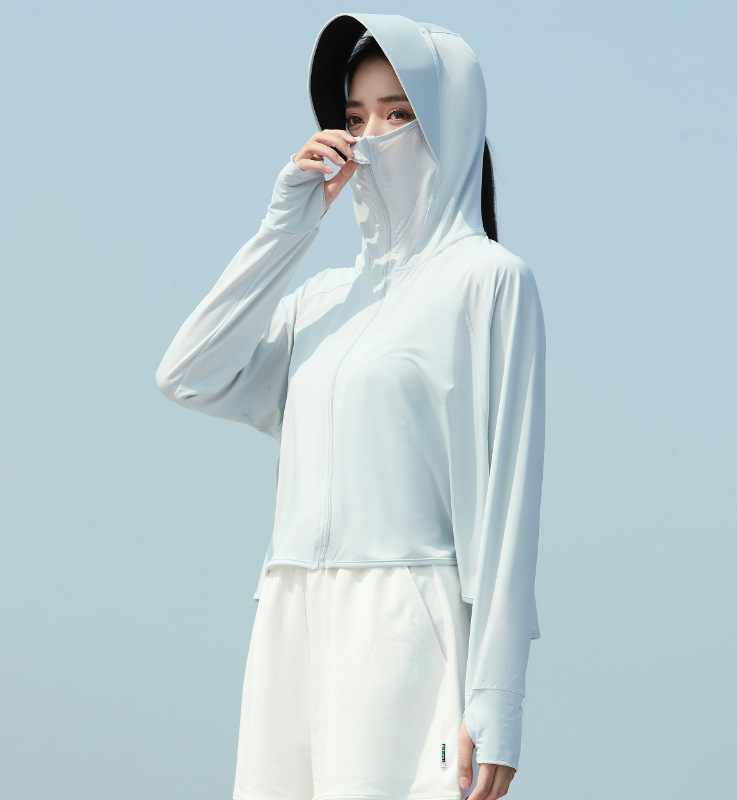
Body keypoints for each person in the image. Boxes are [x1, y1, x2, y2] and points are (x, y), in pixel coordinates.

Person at [155, 13, 546, 800]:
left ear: (451, 125)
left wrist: (497, 697)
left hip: (406, 629)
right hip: (290, 616)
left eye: (399, 114)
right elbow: (188, 373)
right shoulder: (322, 299)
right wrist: (287, 227)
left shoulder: (488, 281)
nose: (370, 138)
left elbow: (510, 505)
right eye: (354, 117)